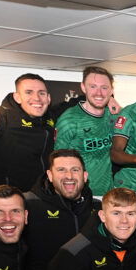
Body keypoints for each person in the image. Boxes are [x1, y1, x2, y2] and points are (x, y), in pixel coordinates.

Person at [55, 66, 118, 196]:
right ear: (83, 87)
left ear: (111, 90)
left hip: (108, 194)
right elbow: (56, 162)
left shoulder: (113, 115)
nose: (99, 93)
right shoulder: (69, 120)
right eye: (93, 86)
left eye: (104, 88)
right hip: (79, 195)